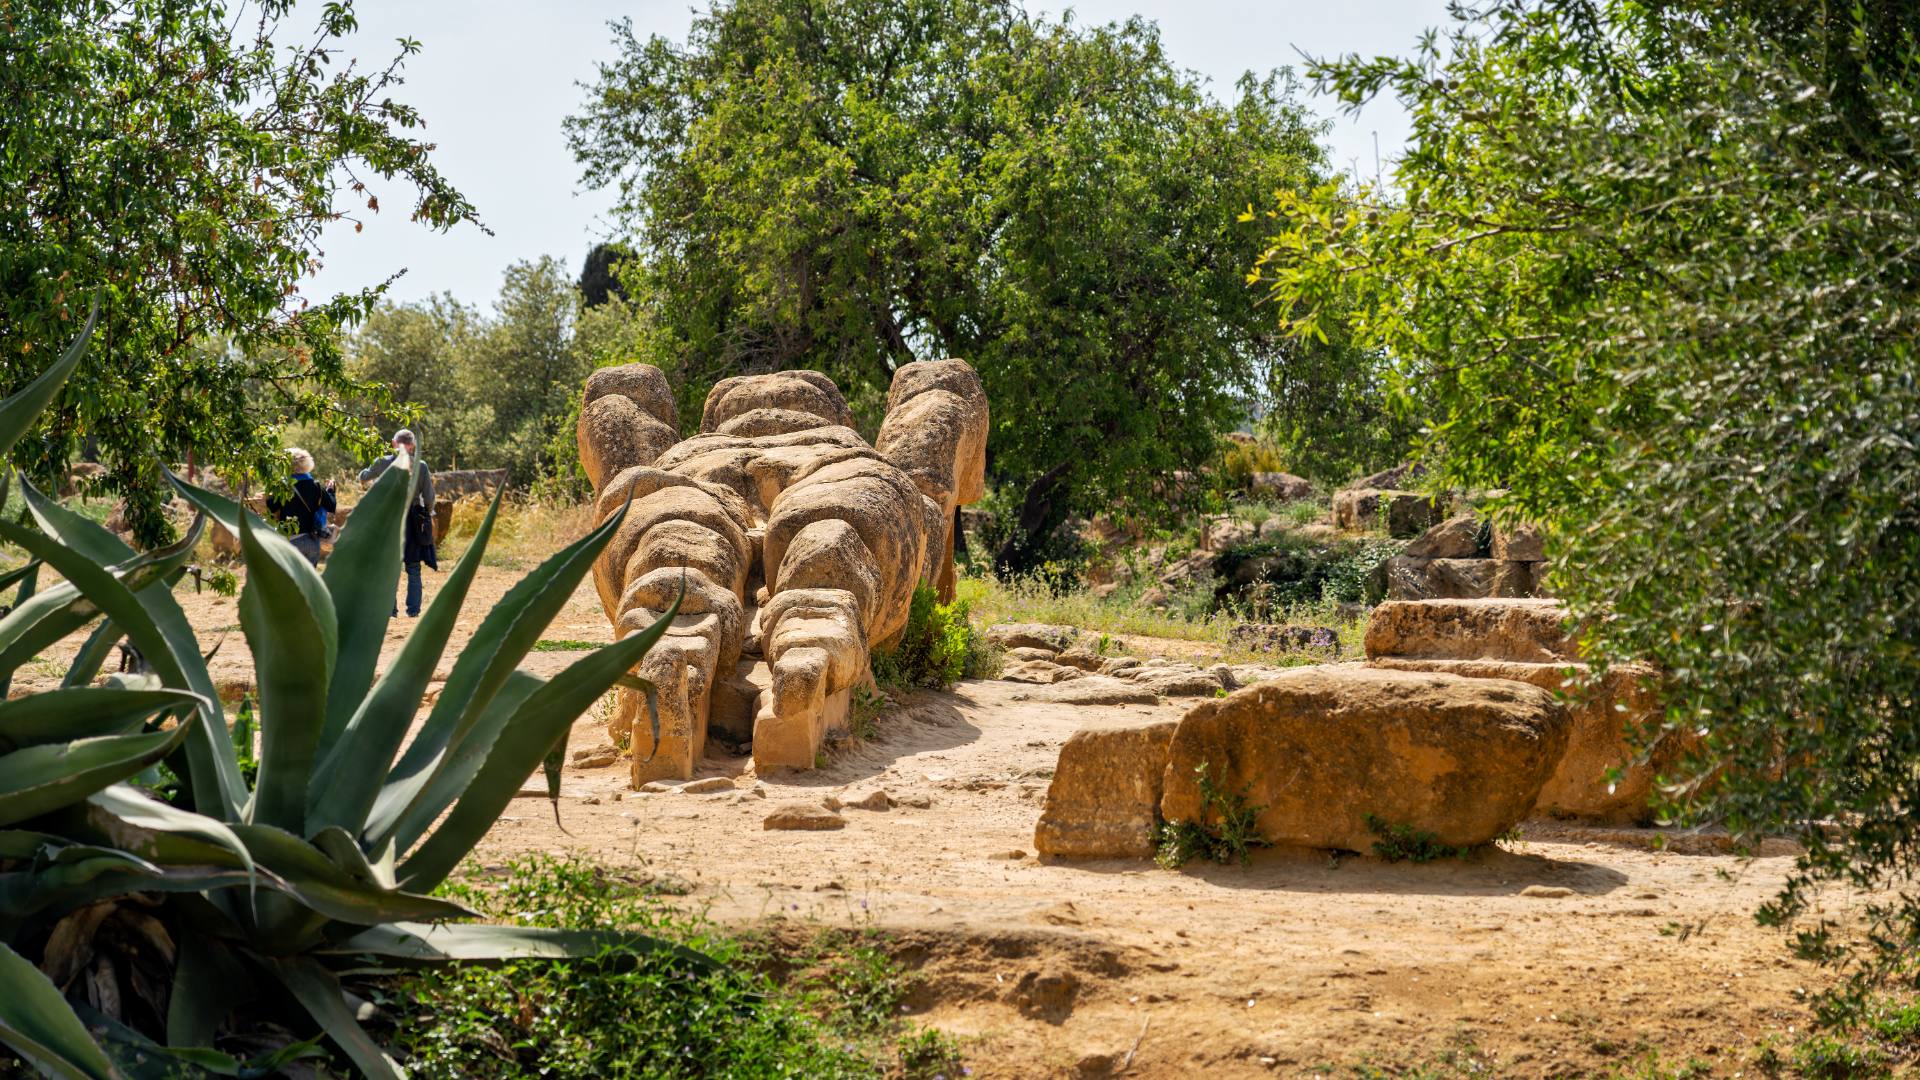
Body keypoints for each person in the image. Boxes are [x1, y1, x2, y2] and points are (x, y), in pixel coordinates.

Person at [359, 429, 438, 616]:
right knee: (413, 567)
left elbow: (363, 477)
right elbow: (429, 496)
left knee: (388, 566)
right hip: (413, 519)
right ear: (412, 446)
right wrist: (428, 512)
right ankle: (413, 611)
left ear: (394, 443)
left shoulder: (382, 461)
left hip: (387, 517)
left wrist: (367, 472)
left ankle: (390, 610)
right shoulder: (421, 465)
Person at [265, 448, 335, 566]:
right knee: (308, 583)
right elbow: (331, 506)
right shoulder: (316, 486)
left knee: (289, 582)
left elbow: (270, 507)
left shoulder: (283, 487)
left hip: (290, 541)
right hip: (312, 541)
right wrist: (331, 491)